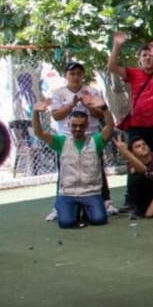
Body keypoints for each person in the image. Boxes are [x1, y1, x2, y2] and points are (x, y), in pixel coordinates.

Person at [31, 92, 114, 228]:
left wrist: (104, 108)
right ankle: (68, 208)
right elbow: (38, 133)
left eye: (81, 126)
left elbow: (110, 127)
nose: (77, 129)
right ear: (69, 125)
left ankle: (86, 210)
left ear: (87, 126)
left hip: (91, 192)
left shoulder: (95, 141)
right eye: (74, 126)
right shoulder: (61, 142)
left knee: (99, 219)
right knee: (66, 223)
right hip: (68, 193)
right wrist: (35, 113)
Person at [107, 32, 153, 155]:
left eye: (151, 55)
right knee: (137, 160)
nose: (148, 58)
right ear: (139, 59)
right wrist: (116, 46)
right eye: (144, 55)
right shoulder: (133, 73)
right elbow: (112, 67)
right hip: (137, 126)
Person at [113, 135, 153, 218]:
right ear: (132, 153)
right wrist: (125, 153)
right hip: (145, 196)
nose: (143, 147)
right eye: (138, 146)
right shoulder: (132, 164)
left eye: (144, 144)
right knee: (136, 177)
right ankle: (136, 207)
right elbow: (143, 170)